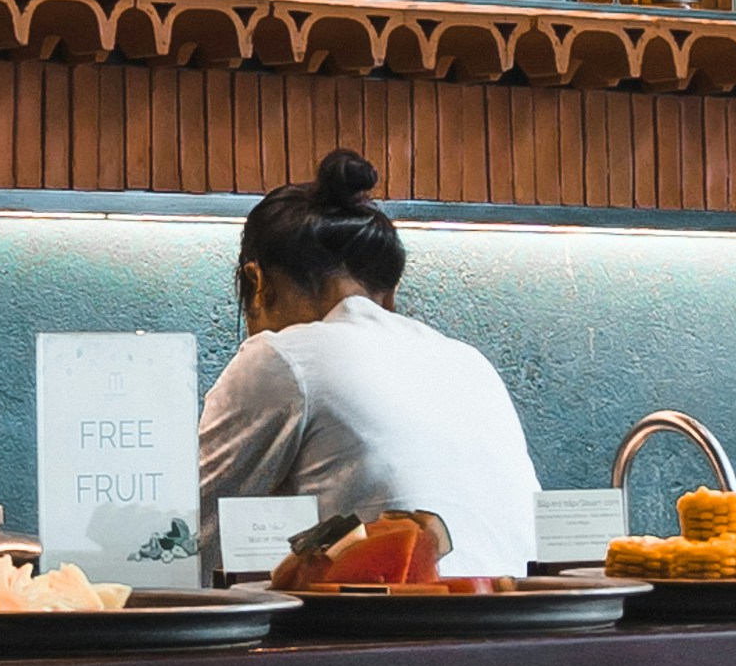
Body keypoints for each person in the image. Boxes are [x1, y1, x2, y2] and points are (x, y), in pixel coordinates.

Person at [199, 148, 539, 577]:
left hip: (391, 628)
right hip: (531, 622)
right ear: (389, 296)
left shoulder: (281, 357)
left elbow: (191, 537)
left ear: (257, 283)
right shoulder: (470, 363)